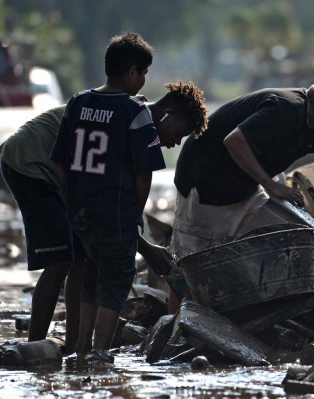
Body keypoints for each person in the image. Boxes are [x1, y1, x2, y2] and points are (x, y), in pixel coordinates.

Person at [0, 78, 206, 356]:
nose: (176, 143)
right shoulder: (130, 118)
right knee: (60, 260)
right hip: (33, 162)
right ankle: (32, 348)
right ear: (168, 115)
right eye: (181, 133)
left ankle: (73, 345)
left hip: (67, 175)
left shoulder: (136, 120)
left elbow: (118, 205)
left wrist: (143, 245)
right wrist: (146, 248)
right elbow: (112, 205)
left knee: (82, 258)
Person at [50, 32, 206, 363]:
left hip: (80, 212)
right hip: (116, 212)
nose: (145, 81)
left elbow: (59, 162)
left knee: (91, 276)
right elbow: (144, 173)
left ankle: (81, 348)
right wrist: (134, 213)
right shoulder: (134, 112)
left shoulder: (78, 102)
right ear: (132, 72)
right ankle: (102, 351)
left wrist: (73, 201)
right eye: (144, 73)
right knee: (117, 281)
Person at [172, 64, 314, 257]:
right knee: (195, 261)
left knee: (286, 241)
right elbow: (234, 141)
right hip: (204, 180)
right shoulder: (286, 108)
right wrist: (270, 185)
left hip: (245, 186)